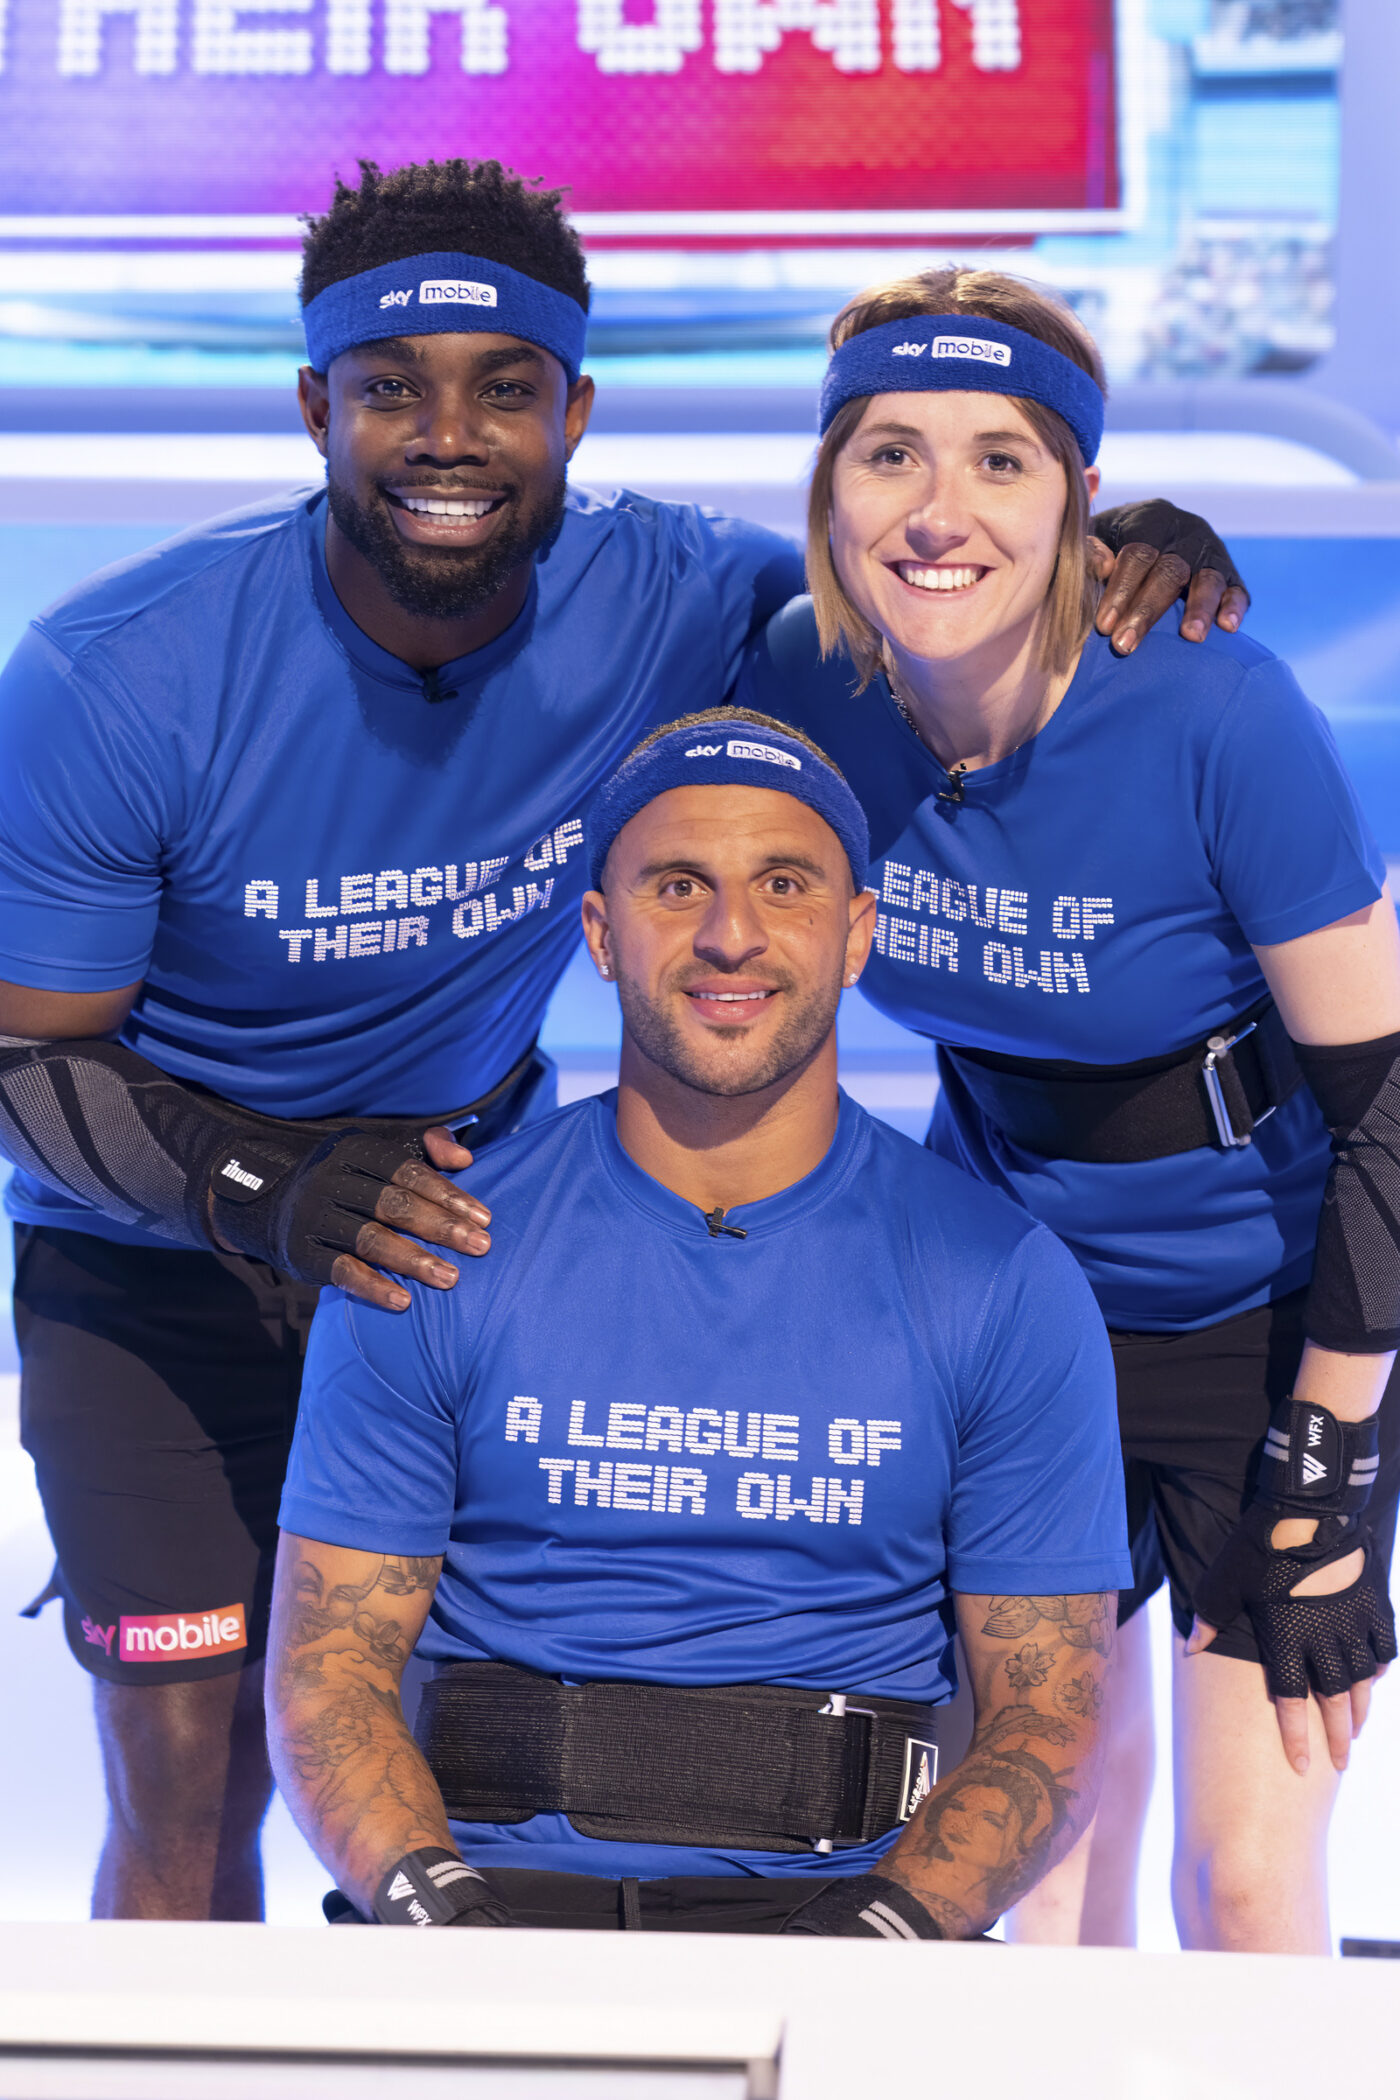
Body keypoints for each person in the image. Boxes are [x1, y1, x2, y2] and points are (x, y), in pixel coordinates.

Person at [0, 146, 1244, 1922]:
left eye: (505, 390)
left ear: (574, 412)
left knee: (465, 1741)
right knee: (193, 1779)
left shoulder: (673, 594)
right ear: (315, 407)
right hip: (159, 1259)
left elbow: (928, 578)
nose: (450, 438)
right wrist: (262, 1181)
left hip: (449, 1238)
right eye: (391, 390)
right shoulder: (115, 674)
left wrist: (1117, 553)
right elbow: (26, 1059)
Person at [738, 266, 1400, 1954]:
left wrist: (1332, 1457)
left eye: (1002, 460)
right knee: (1027, 1860)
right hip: (1014, 1322)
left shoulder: (1213, 705)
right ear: (830, 483)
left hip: (1267, 1324)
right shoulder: (801, 683)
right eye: (891, 452)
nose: (938, 510)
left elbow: (1390, 1111)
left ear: (1082, 497)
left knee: (1240, 1881)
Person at [266, 713, 1132, 1936]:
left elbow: (1048, 1724)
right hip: (484, 1916)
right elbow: (327, 1676)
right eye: (678, 886)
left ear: (857, 934)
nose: (731, 934)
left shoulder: (1001, 1280)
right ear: (598, 934)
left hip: (851, 1926)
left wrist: (872, 1946)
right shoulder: (431, 1249)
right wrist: (446, 1932)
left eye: (784, 885)